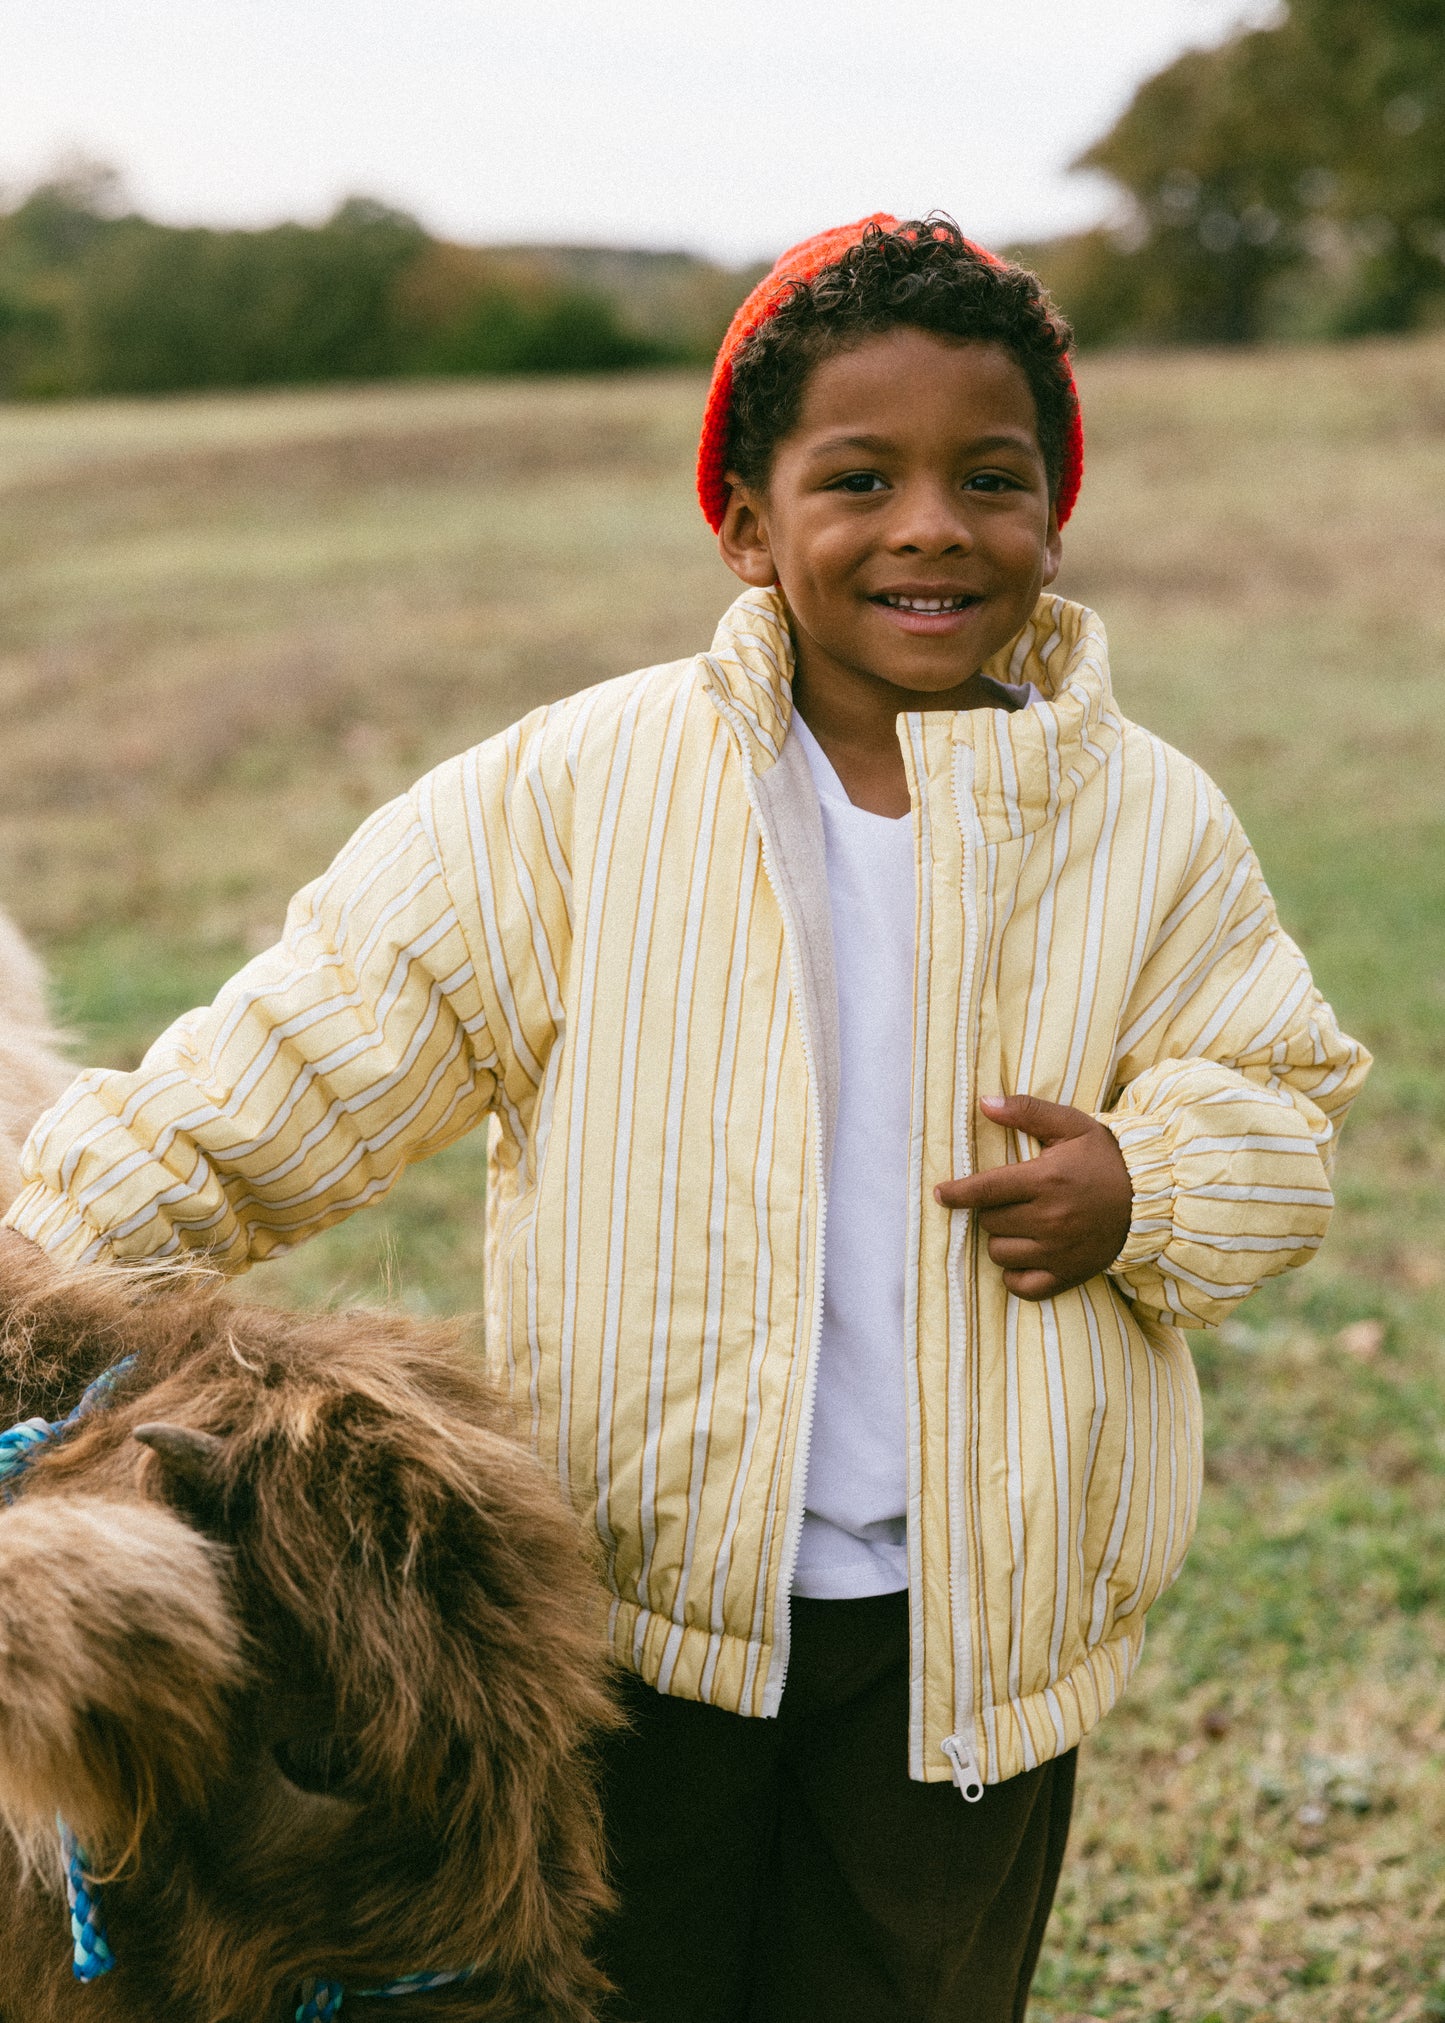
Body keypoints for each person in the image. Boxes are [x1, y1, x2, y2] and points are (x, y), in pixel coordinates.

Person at [2, 215, 1369, 2022]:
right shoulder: (576, 794)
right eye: (857, 477)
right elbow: (312, 1045)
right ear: (744, 519)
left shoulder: (1148, 822)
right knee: (630, 1984)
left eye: (991, 478)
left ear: (1054, 513)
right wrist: (43, 1252)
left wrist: (1153, 1181)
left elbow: (1276, 1091)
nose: (931, 526)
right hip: (640, 1607)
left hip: (973, 1639)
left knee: (902, 1987)